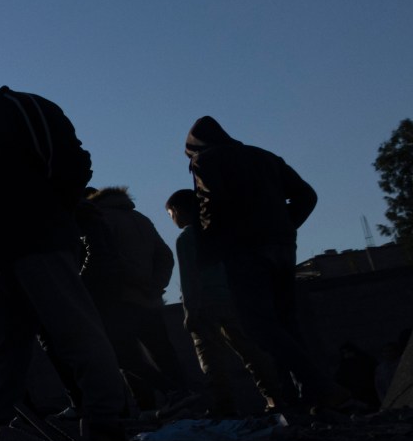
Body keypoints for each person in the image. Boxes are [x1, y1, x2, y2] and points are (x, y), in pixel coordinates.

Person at [0, 59, 131, 441]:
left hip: (37, 247)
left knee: (73, 332)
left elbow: (72, 164)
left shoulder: (21, 109)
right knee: (0, 346)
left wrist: (46, 218)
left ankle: (106, 420)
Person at [185, 116, 344, 416]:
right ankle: (310, 397)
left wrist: (211, 247)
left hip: (244, 251)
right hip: (282, 249)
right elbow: (306, 195)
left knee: (258, 326)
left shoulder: (205, 161)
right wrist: (285, 227)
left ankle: (322, 387)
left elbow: (210, 206)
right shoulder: (264, 156)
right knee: (285, 324)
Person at [76, 187, 189, 410]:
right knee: (163, 352)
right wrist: (156, 285)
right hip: (149, 300)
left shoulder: (101, 219)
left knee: (124, 355)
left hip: (117, 298)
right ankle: (185, 397)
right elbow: (165, 256)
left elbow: (106, 258)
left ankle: (151, 404)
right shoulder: (140, 218)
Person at [165, 188, 271, 418]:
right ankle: (274, 397)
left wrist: (190, 311)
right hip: (231, 299)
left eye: (170, 214)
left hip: (205, 304)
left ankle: (223, 405)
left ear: (178, 211)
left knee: (211, 357)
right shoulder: (218, 233)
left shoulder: (186, 238)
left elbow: (189, 277)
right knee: (250, 351)